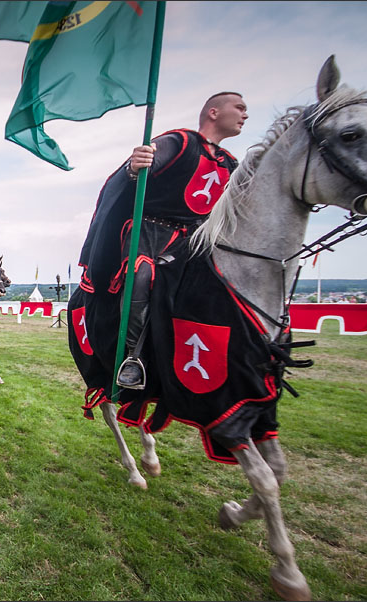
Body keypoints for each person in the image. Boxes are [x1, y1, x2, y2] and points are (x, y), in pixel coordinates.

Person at [77, 92, 247, 390]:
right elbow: (143, 167)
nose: (245, 115)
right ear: (214, 112)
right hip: (148, 233)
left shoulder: (229, 162)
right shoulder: (179, 143)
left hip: (193, 240)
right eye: (239, 108)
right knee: (140, 276)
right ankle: (133, 357)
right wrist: (135, 166)